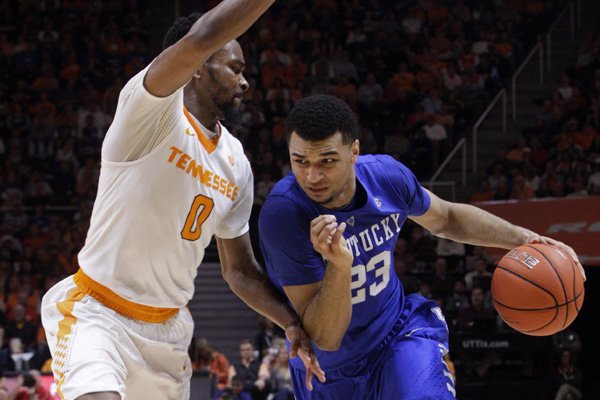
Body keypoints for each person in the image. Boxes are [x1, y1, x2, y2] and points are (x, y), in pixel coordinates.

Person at [40, 2, 324, 399]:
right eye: (235, 69)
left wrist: (289, 322)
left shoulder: (236, 162)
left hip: (169, 332)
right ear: (196, 67)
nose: (245, 83)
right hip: (98, 313)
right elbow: (203, 37)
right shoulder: (150, 113)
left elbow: (239, 272)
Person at [258, 94, 584, 400]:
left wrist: (523, 238)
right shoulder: (284, 215)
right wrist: (341, 267)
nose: (312, 175)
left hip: (397, 334)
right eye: (300, 161)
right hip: (329, 367)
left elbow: (446, 218)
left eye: (327, 160)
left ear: (354, 152)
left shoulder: (386, 176)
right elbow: (326, 337)